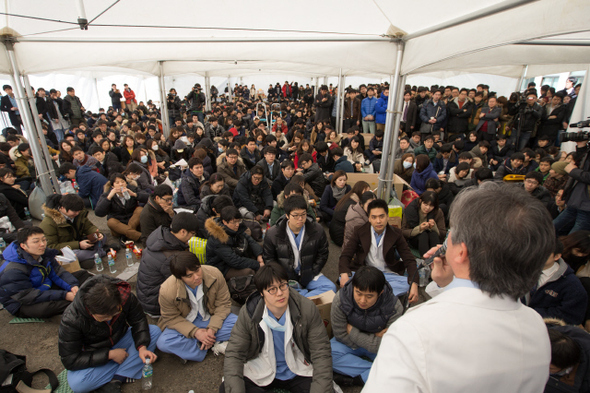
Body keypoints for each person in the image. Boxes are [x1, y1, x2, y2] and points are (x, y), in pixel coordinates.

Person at [363, 182, 555, 392]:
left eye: (451, 235)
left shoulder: (414, 331)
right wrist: (446, 283)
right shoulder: (537, 327)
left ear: (461, 252)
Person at [221, 262, 333, 393]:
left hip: (298, 369)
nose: (280, 293)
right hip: (262, 365)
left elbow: (321, 352)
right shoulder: (249, 312)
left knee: (324, 388)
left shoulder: (306, 308)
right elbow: (235, 353)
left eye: (283, 286)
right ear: (261, 293)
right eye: (272, 289)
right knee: (227, 388)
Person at [58, 275, 161, 393]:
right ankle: (129, 366)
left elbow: (138, 321)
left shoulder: (125, 298)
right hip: (94, 352)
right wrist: (110, 355)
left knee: (154, 332)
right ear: (90, 311)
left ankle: (117, 378)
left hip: (121, 339)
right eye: (103, 317)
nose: (109, 318)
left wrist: (142, 347)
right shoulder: (72, 319)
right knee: (78, 384)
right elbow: (70, 359)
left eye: (115, 313)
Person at [156, 252, 237, 362]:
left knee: (241, 324)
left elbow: (223, 304)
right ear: (180, 278)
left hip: (210, 318)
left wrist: (212, 329)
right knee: (163, 342)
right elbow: (171, 319)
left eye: (197, 270)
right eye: (189, 276)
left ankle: (196, 346)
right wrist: (196, 332)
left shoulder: (214, 274)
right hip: (185, 322)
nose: (197, 277)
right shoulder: (167, 290)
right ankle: (210, 344)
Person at [330, 266, 402, 387]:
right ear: (353, 287)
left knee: (401, 360)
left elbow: (389, 344)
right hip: (352, 343)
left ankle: (357, 379)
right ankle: (375, 374)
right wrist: (374, 338)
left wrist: (353, 332)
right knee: (326, 354)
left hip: (364, 341)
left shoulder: (394, 307)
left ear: (380, 293)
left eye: (369, 296)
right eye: (358, 293)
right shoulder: (341, 299)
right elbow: (340, 334)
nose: (362, 300)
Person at [0, 227, 90, 318]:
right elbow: (27, 296)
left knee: (82, 275)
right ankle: (86, 303)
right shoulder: (13, 270)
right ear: (23, 246)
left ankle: (85, 297)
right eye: (36, 242)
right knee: (49, 308)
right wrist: (65, 295)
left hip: (44, 286)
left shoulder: (44, 253)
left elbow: (57, 272)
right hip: (22, 302)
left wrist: (72, 286)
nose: (42, 244)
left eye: (44, 240)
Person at [339, 199, 419, 300]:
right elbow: (346, 255)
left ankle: (370, 294)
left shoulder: (396, 234)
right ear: (369, 218)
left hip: (387, 274)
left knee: (408, 285)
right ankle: (381, 295)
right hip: (365, 273)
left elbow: (409, 260)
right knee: (345, 278)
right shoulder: (359, 231)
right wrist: (344, 274)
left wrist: (414, 283)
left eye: (381, 216)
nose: (378, 221)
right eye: (374, 217)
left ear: (387, 217)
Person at [263, 195, 334, 298]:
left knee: (331, 288)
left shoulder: (317, 230)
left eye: (303, 214)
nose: (300, 219)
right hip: (285, 278)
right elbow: (269, 259)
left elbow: (323, 253)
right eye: (295, 215)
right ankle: (306, 297)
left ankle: (300, 297)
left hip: (309, 273)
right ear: (287, 215)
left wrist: (313, 271)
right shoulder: (273, 234)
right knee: (275, 294)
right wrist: (282, 277)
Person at [522, 240, 587, 326]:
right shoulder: (520, 271)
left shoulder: (571, 283)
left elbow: (571, 315)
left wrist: (530, 313)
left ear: (557, 256)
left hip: (547, 329)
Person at [39, 194, 106, 269]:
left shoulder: (78, 213)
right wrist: (78, 245)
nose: (77, 213)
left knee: (103, 236)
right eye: (74, 211)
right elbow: (51, 247)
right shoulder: (48, 223)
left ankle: (93, 254)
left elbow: (88, 226)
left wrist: (97, 233)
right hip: (67, 250)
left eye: (79, 211)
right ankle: (99, 252)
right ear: (62, 208)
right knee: (79, 254)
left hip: (80, 241)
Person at [205, 206, 263, 280]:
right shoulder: (217, 237)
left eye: (238, 221)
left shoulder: (234, 229)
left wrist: (259, 255)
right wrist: (257, 264)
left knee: (261, 248)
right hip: (222, 267)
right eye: (234, 222)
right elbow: (234, 261)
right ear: (224, 222)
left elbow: (250, 240)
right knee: (249, 272)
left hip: (235, 257)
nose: (237, 225)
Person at [94, 173, 148, 243]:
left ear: (126, 183)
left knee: (140, 209)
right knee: (111, 222)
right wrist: (109, 198)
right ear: (112, 186)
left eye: (123, 182)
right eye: (117, 183)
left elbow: (150, 198)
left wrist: (135, 195)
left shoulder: (132, 189)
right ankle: (140, 237)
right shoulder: (107, 195)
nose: (120, 184)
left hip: (133, 221)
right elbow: (98, 213)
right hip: (119, 225)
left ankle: (127, 235)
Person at [554, 138, 590, 235]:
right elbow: (582, 164)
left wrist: (573, 171)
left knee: (574, 240)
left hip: (586, 206)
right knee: (551, 229)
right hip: (575, 200)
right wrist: (581, 147)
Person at [401, 191, 446, 257]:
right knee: (423, 234)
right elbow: (403, 231)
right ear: (420, 201)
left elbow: (443, 232)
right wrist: (419, 228)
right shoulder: (410, 211)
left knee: (433, 234)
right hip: (415, 239)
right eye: (425, 204)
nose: (427, 208)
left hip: (432, 239)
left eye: (431, 206)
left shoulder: (438, 212)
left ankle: (437, 257)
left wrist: (434, 227)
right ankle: (425, 258)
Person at [329, 181, 370, 247]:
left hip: (334, 232)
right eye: (366, 192)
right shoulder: (354, 205)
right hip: (340, 237)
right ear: (359, 190)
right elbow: (360, 222)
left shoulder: (349, 196)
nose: (367, 194)